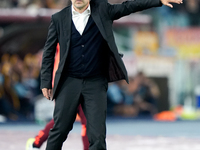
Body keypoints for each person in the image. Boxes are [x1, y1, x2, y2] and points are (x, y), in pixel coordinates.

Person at [40, 0, 183, 150]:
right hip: (68, 82)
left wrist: (158, 1)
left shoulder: (103, 10)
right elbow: (48, 52)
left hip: (95, 83)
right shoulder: (58, 18)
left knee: (97, 135)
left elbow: (129, 6)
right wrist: (45, 82)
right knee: (59, 130)